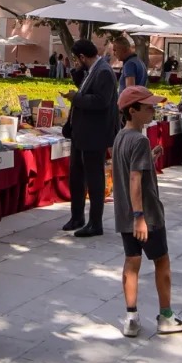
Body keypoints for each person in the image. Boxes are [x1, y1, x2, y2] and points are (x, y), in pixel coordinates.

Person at [113, 85, 182, 338]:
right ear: (132, 110)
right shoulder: (139, 139)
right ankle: (166, 316)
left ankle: (131, 317)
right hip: (146, 215)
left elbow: (132, 171)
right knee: (162, 262)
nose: (153, 111)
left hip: (125, 215)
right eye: (148, 108)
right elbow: (135, 179)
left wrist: (151, 157)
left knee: (131, 263)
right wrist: (140, 217)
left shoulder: (121, 137)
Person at [63, 38, 118, 236]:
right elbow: (84, 86)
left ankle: (96, 222)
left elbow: (101, 101)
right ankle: (77, 215)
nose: (76, 61)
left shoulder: (103, 71)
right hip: (81, 132)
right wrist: (77, 70)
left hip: (94, 133)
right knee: (76, 176)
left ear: (82, 56)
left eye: (77, 59)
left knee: (94, 178)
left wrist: (75, 98)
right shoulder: (92, 70)